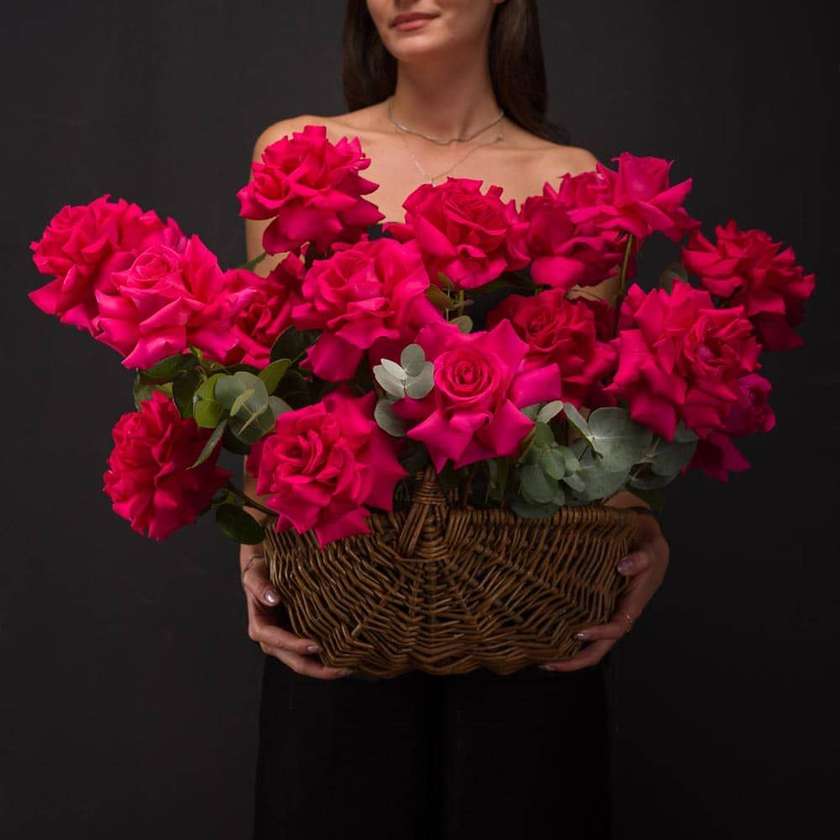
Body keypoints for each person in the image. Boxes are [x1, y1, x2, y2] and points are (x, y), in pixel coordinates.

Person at [239, 2, 670, 837]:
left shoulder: (570, 175)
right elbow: (270, 386)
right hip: (345, 604)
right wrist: (257, 546)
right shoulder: (299, 152)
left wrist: (637, 524)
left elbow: (575, 420)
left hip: (523, 610)